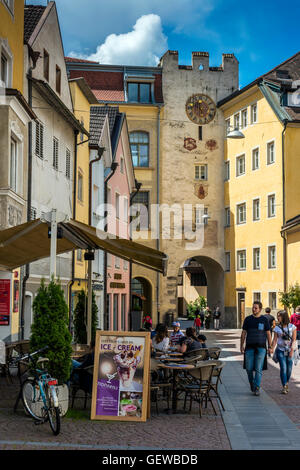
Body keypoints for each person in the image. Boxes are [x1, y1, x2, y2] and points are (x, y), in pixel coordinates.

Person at [240, 301, 272, 396]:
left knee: (258, 368)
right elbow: (243, 333)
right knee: (249, 368)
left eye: (256, 308)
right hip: (249, 347)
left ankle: (257, 387)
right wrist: (241, 345)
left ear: (260, 309)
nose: (254, 309)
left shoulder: (264, 320)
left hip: (261, 348)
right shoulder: (248, 319)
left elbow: (268, 334)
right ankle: (252, 384)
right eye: (253, 308)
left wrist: (270, 346)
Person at [272, 310, 297, 394]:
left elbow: (294, 340)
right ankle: (284, 386)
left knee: (289, 369)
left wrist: (292, 351)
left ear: (284, 317)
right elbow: (275, 340)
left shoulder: (292, 327)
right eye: (277, 316)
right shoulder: (277, 328)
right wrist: (271, 347)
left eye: (279, 316)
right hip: (280, 350)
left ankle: (286, 383)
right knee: (283, 368)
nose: (278, 317)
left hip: (290, 350)